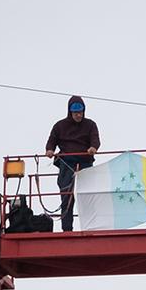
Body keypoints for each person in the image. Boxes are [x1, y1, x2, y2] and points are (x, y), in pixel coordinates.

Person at [44, 95, 99, 232]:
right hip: (66, 165)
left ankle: (90, 228)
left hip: (85, 164)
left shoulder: (90, 125)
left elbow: (95, 140)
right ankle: (67, 229)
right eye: (75, 112)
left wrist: (93, 148)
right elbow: (52, 140)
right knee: (66, 197)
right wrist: (49, 150)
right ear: (70, 112)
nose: (78, 115)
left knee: (87, 196)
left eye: (80, 112)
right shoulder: (60, 126)